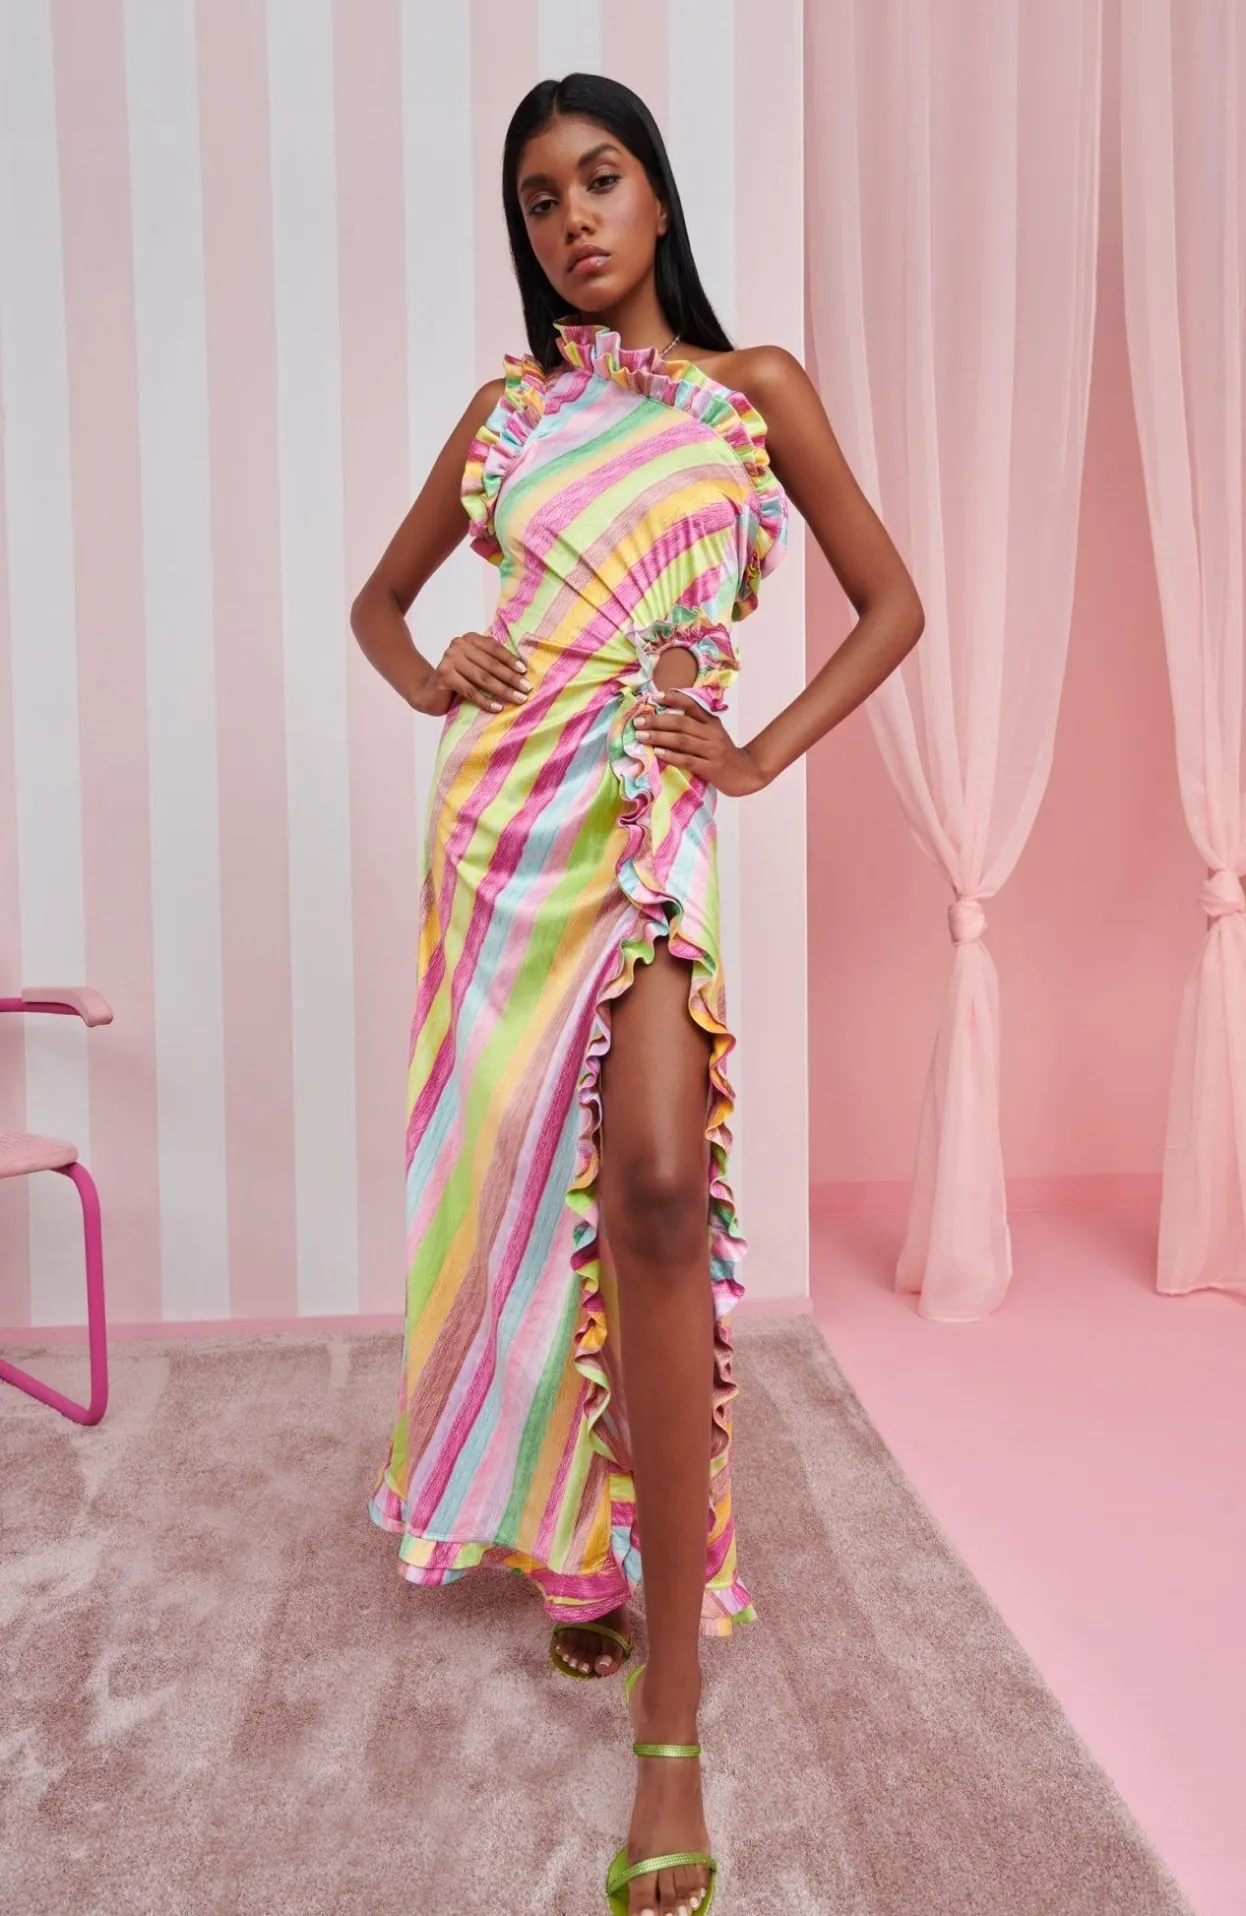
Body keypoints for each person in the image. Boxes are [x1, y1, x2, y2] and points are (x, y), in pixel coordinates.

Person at [350, 70, 923, 1916]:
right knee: (528, 1212)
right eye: (538, 199)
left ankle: (667, 1719)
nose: (572, 219)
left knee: (662, 1194)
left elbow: (890, 602)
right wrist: (432, 671)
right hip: (497, 836)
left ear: (659, 199)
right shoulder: (506, 414)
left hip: (643, 806)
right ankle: (575, 1552)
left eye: (599, 181)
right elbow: (379, 609)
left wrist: (751, 754)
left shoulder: (752, 394)